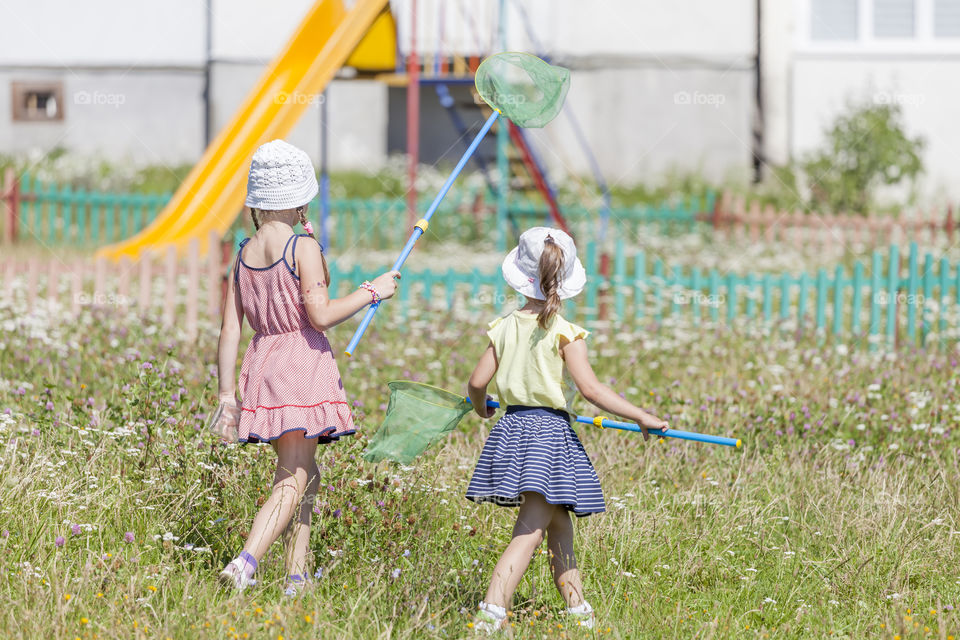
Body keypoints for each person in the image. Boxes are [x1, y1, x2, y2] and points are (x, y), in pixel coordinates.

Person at [214, 140, 400, 594]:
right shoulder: (301, 248)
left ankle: (296, 574)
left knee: (306, 470)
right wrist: (371, 292)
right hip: (299, 364)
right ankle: (245, 563)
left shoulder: (243, 253)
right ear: (299, 199)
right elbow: (320, 315)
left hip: (263, 365)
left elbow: (230, 331)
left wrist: (225, 396)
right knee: (294, 475)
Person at [464, 227, 667, 632]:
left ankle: (577, 610)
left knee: (558, 524)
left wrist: (482, 408)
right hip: (549, 437)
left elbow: (475, 383)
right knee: (530, 530)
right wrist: (641, 415)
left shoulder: (502, 327)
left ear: (520, 277)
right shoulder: (565, 332)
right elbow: (591, 390)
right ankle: (491, 612)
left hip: (512, 430)